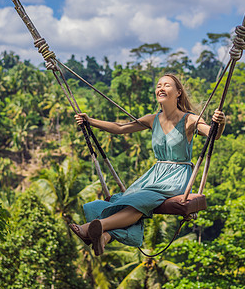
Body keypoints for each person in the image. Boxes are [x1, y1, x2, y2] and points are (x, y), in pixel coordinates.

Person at [69, 73, 225, 256]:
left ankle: (92, 228)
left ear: (178, 93)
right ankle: (104, 237)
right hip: (155, 175)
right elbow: (120, 128)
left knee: (137, 202)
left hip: (177, 177)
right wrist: (90, 121)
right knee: (123, 200)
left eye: (167, 85)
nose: (161, 88)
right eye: (159, 85)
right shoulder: (152, 119)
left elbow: (213, 134)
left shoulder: (190, 119)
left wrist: (219, 123)